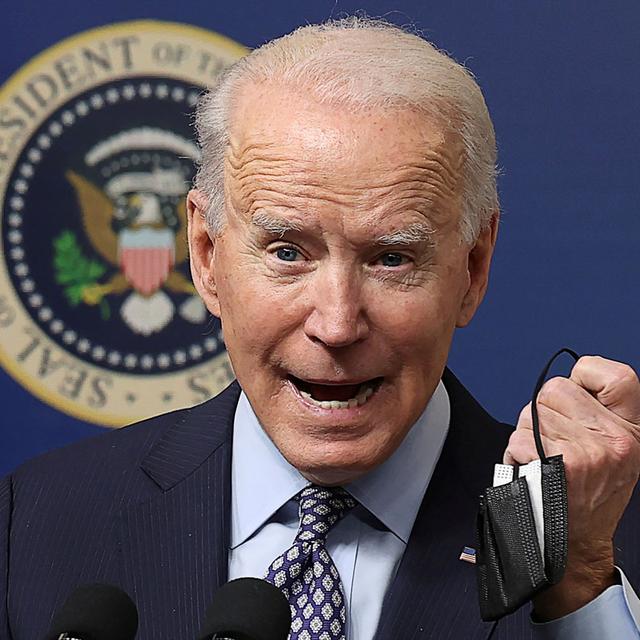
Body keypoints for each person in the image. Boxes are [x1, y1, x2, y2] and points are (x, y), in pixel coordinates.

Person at [1, 17, 639, 640]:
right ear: (204, 254)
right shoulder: (32, 526)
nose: (336, 325)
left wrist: (580, 588)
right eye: (287, 252)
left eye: (392, 258)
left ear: (472, 268)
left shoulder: (601, 550)